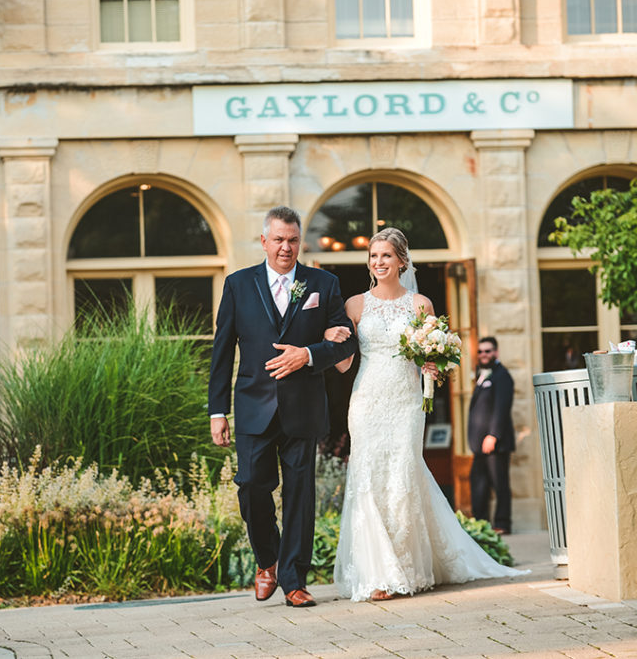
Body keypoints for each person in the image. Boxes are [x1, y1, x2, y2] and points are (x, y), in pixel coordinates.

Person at [325, 227, 526, 602]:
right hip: (367, 400)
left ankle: (404, 567)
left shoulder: (421, 305)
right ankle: (378, 573)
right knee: (368, 478)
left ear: (402, 260)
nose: (378, 262)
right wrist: (330, 340)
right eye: (373, 256)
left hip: (406, 402)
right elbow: (343, 366)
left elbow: (429, 361)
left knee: (403, 475)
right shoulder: (355, 305)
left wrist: (433, 366)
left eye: (386, 255)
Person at [208, 206, 356, 608]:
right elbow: (222, 352)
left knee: (300, 497)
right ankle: (267, 559)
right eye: (278, 240)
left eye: (292, 240)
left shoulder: (322, 284)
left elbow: (344, 343)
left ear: (300, 242)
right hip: (253, 406)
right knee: (251, 487)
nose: (286, 248)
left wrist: (307, 355)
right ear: (264, 241)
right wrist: (217, 411)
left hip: (303, 407)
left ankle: (294, 581)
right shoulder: (238, 285)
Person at [468, 336, 515, 535]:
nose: (483, 354)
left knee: (499, 484)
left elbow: (501, 407)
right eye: (480, 351)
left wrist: (493, 435)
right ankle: (481, 524)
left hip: (495, 442)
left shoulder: (502, 375)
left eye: (487, 351)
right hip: (480, 444)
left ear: (495, 352)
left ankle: (502, 524)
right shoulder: (482, 374)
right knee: (478, 484)